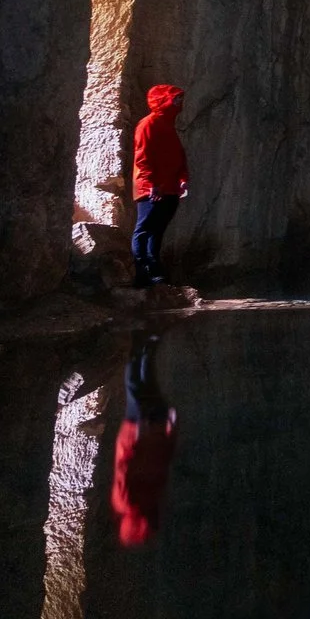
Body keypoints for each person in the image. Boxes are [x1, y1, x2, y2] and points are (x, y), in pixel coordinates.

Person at [111, 332, 177, 547]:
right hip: (154, 430)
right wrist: (170, 429)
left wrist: (138, 434)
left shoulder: (126, 502)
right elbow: (163, 461)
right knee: (147, 386)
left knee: (135, 388)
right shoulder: (150, 501)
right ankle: (147, 347)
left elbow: (125, 467)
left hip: (137, 433)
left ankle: (135, 349)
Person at [130, 83, 188, 289]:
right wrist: (151, 184)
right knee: (144, 229)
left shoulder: (168, 126)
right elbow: (143, 158)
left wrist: (182, 178)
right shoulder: (148, 125)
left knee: (158, 230)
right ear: (164, 100)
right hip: (152, 189)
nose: (180, 102)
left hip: (169, 188)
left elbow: (178, 157)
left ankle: (155, 270)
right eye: (176, 98)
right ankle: (142, 272)